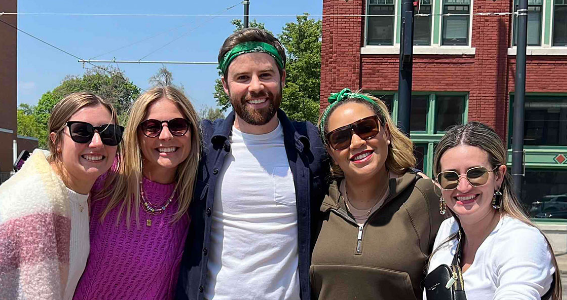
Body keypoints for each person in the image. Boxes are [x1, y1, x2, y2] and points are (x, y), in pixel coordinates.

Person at [176, 28, 329, 300]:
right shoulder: (201, 144)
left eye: (266, 75)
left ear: (282, 78)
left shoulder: (312, 144)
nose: (255, 87)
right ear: (225, 84)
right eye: (242, 78)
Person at [0, 92, 122, 299]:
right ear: (56, 141)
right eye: (81, 132)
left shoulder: (84, 197)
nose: (96, 142)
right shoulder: (35, 201)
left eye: (109, 133)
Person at [311, 88, 446, 300]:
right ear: (331, 152)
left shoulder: (424, 195)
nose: (356, 143)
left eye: (366, 128)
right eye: (340, 138)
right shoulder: (317, 202)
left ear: (387, 133)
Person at [73, 86, 201, 299]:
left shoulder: (196, 200)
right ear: (137, 133)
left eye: (178, 126)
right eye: (152, 127)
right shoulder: (106, 177)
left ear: (192, 132)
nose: (166, 136)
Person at [426, 121, 561, 299]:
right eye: (450, 177)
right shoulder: (447, 230)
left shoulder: (521, 240)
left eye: (476, 173)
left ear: (498, 176)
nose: (463, 186)